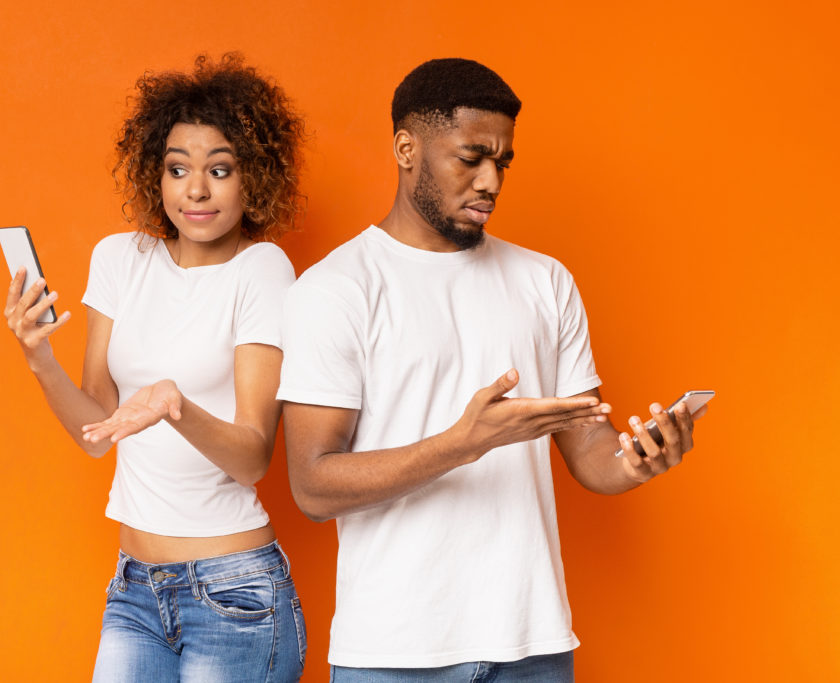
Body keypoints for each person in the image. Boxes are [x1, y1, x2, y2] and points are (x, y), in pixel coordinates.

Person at [277, 58, 709, 682]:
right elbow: (313, 486)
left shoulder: (545, 281)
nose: (491, 181)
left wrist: (639, 459)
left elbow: (591, 450)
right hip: (395, 655)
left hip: (532, 647)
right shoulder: (337, 289)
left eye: (502, 163)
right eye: (471, 157)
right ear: (406, 147)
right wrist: (464, 443)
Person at [3, 54, 307, 682]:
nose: (195, 190)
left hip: (236, 595)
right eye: (177, 169)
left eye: (219, 170)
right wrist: (40, 360)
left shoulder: (262, 270)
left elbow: (253, 457)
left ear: (255, 179)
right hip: (134, 592)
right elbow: (98, 433)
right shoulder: (121, 258)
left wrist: (177, 405)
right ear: (156, 175)